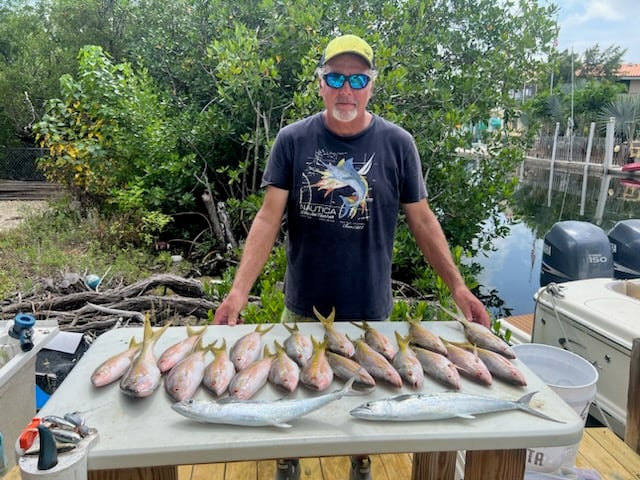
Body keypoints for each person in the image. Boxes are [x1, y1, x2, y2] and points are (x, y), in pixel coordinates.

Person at [214, 34, 491, 480]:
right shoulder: (292, 140)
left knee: (368, 392)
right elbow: (267, 220)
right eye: (336, 77)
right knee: (293, 388)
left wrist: (458, 287)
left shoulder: (398, 143)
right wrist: (237, 293)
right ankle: (290, 458)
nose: (347, 89)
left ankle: (360, 461)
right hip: (304, 305)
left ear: (371, 85)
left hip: (370, 309)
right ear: (320, 83)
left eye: (358, 78)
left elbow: (422, 220)